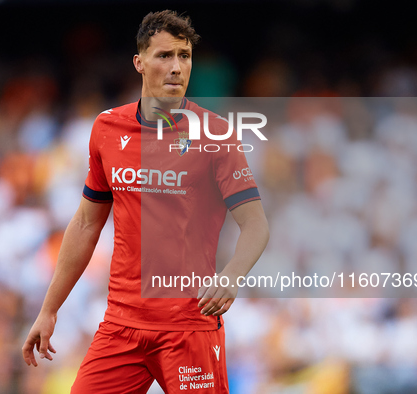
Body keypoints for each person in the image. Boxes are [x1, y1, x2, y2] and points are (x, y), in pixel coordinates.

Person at [22, 10, 269, 393]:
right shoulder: (107, 128)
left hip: (188, 325)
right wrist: (49, 309)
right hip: (122, 323)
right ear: (139, 62)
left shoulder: (216, 135)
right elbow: (87, 223)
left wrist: (232, 275)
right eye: (164, 56)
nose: (176, 67)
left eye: (184, 56)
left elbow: (256, 224)